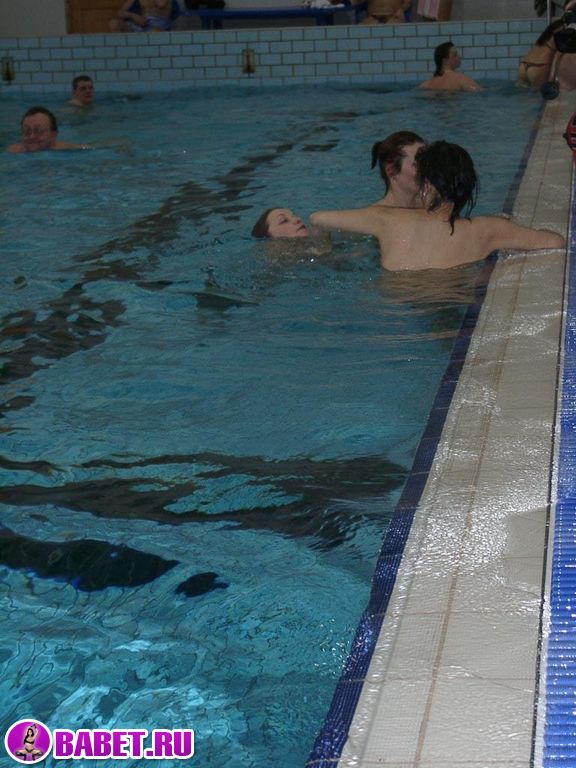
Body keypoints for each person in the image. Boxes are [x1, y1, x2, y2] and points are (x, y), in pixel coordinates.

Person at [310, 141, 565, 271]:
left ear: (425, 185)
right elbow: (555, 241)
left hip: (395, 309)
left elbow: (318, 218)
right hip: (451, 298)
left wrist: (323, 247)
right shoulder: (489, 229)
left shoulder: (386, 219)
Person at [371, 131, 425, 208]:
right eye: (418, 164)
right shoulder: (373, 214)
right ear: (391, 170)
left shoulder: (435, 210)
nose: (427, 170)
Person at [7, 107, 90, 153]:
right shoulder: (14, 151)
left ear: (53, 135)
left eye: (38, 131)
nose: (32, 136)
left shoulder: (66, 150)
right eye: (26, 131)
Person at [109, 0, 181, 32]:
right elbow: (120, 13)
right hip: (140, 26)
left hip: (158, 27)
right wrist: (132, 16)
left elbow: (161, 4)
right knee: (114, 24)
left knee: (154, 32)